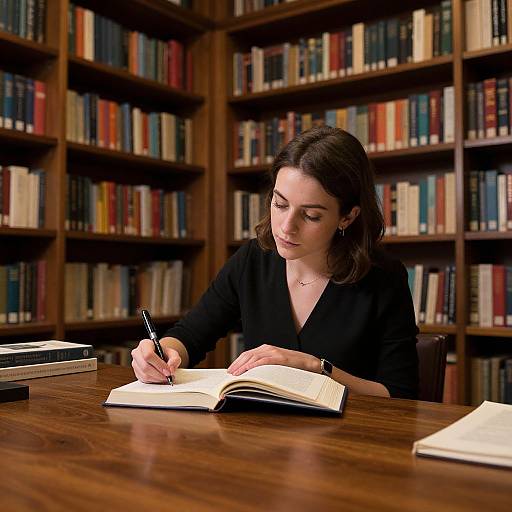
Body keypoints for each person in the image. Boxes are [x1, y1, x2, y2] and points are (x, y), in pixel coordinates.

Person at [131, 126, 419, 398]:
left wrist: (315, 367)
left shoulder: (384, 277)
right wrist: (160, 353)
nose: (286, 227)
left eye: (311, 215)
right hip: (263, 436)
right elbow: (190, 336)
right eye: (280, 204)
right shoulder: (253, 260)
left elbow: (400, 394)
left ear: (348, 216)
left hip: (348, 439)